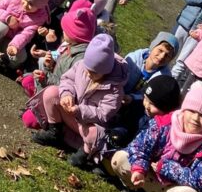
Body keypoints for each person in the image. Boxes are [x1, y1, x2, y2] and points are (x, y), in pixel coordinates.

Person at [29, 34, 128, 168]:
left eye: (94, 72)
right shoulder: (81, 65)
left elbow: (103, 114)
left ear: (105, 71)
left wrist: (80, 110)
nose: (88, 74)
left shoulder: (115, 89)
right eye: (87, 69)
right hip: (72, 114)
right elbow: (67, 79)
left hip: (88, 125)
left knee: (95, 133)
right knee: (51, 93)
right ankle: (54, 131)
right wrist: (67, 94)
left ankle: (84, 153)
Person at [20, 0, 96, 102]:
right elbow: (58, 70)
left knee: (31, 85)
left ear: (74, 34)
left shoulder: (79, 59)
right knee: (27, 80)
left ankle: (40, 103)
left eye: (65, 30)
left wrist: (45, 76)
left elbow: (66, 84)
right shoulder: (71, 47)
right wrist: (48, 66)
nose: (63, 31)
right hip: (53, 83)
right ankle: (37, 98)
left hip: (60, 96)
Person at [117, 32, 179, 134]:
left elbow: (152, 98)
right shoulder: (134, 58)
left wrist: (133, 98)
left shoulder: (164, 76)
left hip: (139, 103)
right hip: (119, 91)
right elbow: (118, 77)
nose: (162, 56)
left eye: (167, 55)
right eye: (160, 50)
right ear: (153, 46)